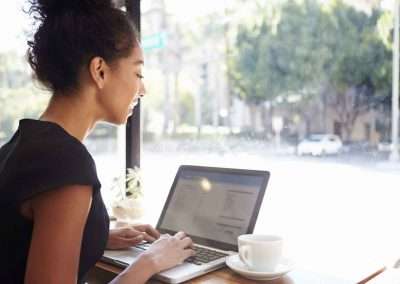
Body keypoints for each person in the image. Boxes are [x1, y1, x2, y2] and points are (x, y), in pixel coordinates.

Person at [0, 0, 195, 283]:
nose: (143, 88)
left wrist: (96, 236)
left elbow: (18, 241)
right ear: (100, 71)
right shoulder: (65, 163)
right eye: (138, 72)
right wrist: (149, 262)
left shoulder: (24, 143)